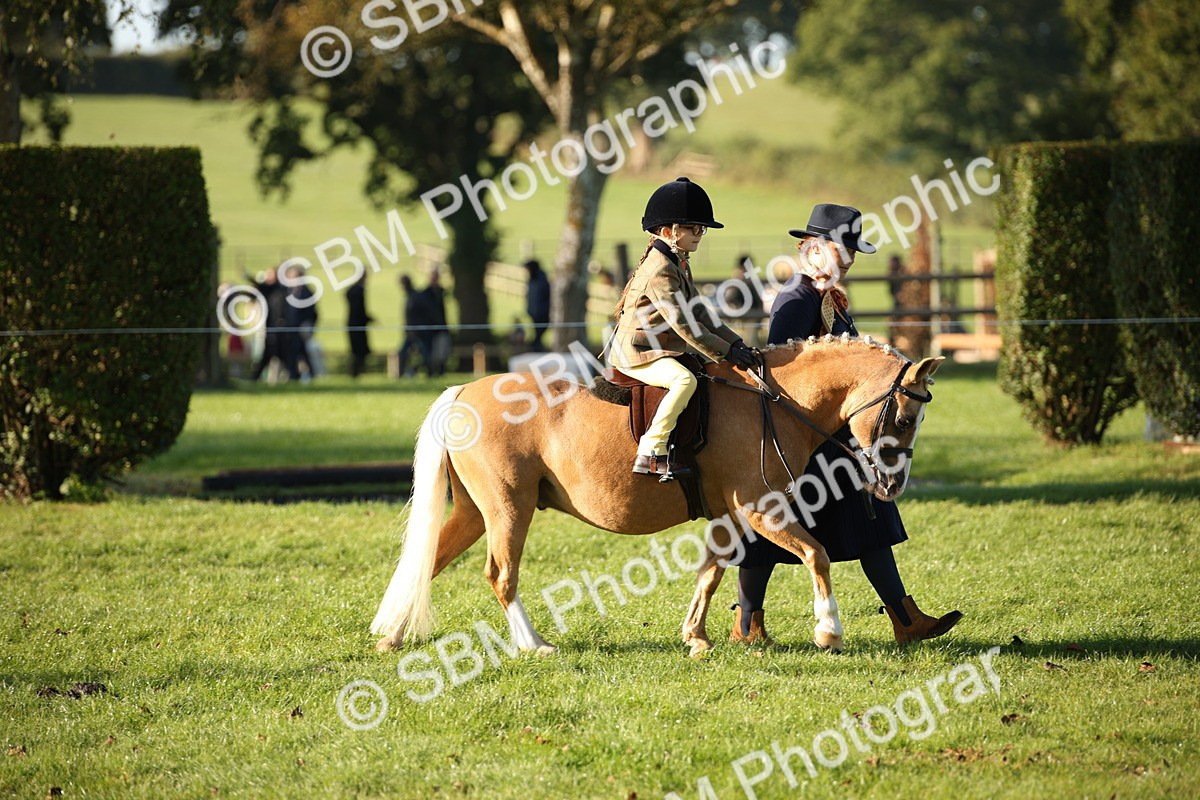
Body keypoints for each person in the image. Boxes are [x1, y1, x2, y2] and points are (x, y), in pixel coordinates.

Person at [729, 203, 962, 646]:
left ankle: (905, 619)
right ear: (813, 249)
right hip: (799, 438)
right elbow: (786, 372)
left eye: (853, 251)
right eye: (843, 249)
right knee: (766, 528)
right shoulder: (795, 300)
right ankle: (747, 624)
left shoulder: (828, 298)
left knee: (869, 520)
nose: (850, 260)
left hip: (832, 436)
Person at [609, 176, 759, 476]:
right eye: (694, 228)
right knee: (684, 381)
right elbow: (684, 325)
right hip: (636, 354)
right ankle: (651, 450)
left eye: (702, 229)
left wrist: (736, 343)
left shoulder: (677, 261)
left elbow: (700, 312)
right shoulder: (661, 269)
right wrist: (726, 353)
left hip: (658, 347)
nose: (700, 234)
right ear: (668, 231)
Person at [346, 271, 373, 378]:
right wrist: (366, 318)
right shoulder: (359, 290)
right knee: (359, 349)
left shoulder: (353, 290)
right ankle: (355, 372)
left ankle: (356, 371)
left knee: (358, 349)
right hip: (357, 324)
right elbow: (359, 309)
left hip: (355, 323)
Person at [525, 259, 551, 351]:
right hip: (535, 313)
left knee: (539, 332)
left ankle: (536, 347)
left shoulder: (541, 281)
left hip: (542, 313)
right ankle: (536, 347)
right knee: (537, 333)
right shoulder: (533, 280)